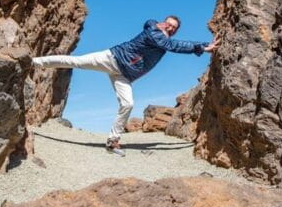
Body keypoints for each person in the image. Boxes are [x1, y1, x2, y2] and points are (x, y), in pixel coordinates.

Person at [31, 16, 219, 156]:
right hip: (112, 59)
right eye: (168, 24)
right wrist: (202, 46)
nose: (170, 28)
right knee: (76, 62)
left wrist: (201, 46)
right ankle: (35, 62)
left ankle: (113, 141)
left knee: (127, 104)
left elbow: (165, 37)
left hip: (124, 75)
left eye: (174, 27)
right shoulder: (155, 33)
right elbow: (173, 44)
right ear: (163, 23)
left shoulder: (161, 36)